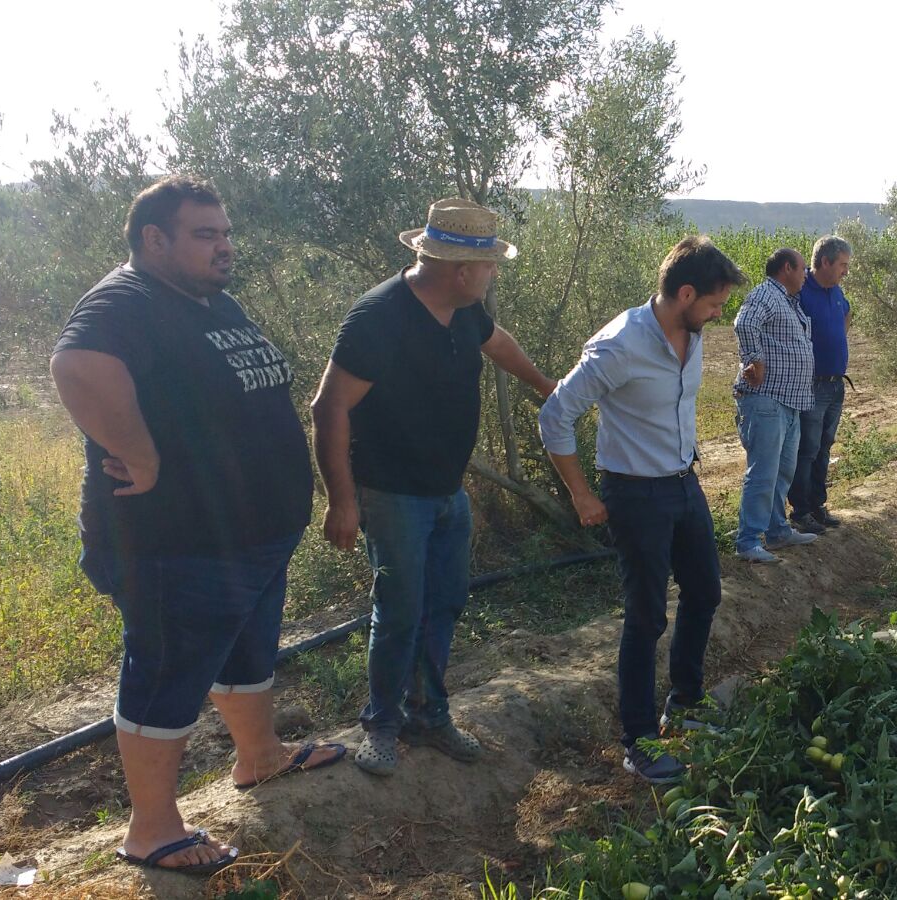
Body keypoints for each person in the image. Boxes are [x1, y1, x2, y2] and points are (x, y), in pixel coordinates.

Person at [51, 176, 344, 876]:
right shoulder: (126, 300)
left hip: (248, 539)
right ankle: (153, 828)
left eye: (226, 233)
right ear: (155, 240)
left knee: (245, 654)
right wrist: (139, 452)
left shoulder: (206, 299)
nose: (225, 246)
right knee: (168, 672)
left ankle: (259, 757)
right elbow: (76, 365)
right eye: (206, 234)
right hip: (177, 544)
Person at [310, 198, 555, 777]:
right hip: (393, 494)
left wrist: (546, 384)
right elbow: (329, 408)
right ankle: (382, 725)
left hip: (448, 492)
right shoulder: (378, 318)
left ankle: (429, 715)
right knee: (398, 611)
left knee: (443, 603)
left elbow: (497, 343)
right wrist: (341, 501)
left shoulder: (464, 310)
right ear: (461, 270)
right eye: (489, 265)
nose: (494, 273)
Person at [539, 236, 745, 783]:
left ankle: (685, 700)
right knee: (647, 616)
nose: (718, 313)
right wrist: (582, 494)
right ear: (683, 293)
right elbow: (555, 416)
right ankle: (638, 742)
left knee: (705, 592)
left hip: (683, 482)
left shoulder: (692, 334)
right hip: (635, 495)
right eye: (713, 303)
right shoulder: (619, 347)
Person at [732, 248, 818, 563]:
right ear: (786, 268)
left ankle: (777, 531)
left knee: (782, 471)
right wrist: (753, 360)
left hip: (787, 401)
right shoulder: (766, 294)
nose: (806, 274)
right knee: (764, 472)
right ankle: (748, 541)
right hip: (766, 399)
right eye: (802, 269)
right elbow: (744, 323)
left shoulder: (786, 300)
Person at [788, 235, 854, 534]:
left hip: (835, 384)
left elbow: (846, 315)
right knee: (807, 449)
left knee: (824, 447)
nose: (845, 271)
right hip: (811, 386)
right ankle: (800, 512)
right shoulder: (801, 291)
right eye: (842, 265)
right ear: (824, 262)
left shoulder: (838, 292)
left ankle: (817, 506)